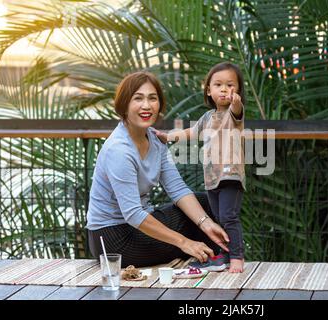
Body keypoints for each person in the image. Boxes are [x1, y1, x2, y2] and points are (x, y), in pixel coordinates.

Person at [86, 71, 230, 268]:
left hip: (138, 227)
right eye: (138, 98)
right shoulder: (119, 150)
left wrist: (206, 223)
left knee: (204, 203)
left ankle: (213, 258)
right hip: (113, 239)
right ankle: (202, 255)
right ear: (124, 105)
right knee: (186, 234)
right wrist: (184, 242)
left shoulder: (154, 138)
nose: (146, 106)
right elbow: (134, 214)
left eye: (152, 98)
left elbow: (178, 189)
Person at [154, 62, 246, 273]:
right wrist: (167, 137)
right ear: (209, 90)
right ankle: (222, 254)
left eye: (230, 85)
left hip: (231, 176)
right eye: (218, 84)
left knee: (229, 216)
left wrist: (236, 103)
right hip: (212, 178)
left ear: (238, 90)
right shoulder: (207, 117)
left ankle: (237, 257)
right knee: (216, 218)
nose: (224, 89)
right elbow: (190, 133)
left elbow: (238, 109)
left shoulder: (234, 115)